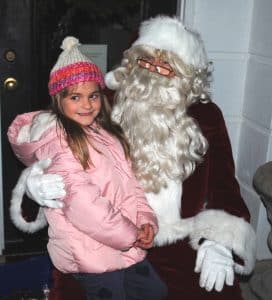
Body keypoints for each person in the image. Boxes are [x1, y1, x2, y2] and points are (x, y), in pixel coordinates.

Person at [9, 16, 256, 300]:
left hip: (179, 241)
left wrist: (219, 242)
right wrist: (36, 180)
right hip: (100, 239)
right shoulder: (100, 103)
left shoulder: (206, 116)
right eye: (145, 61)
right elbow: (50, 139)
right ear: (131, 62)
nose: (153, 71)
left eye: (166, 66)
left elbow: (224, 186)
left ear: (187, 76)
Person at [7, 36, 168, 300]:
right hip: (88, 251)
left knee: (155, 292)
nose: (87, 104)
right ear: (59, 99)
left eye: (93, 95)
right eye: (75, 97)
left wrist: (146, 221)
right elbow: (83, 203)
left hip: (123, 240)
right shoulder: (58, 141)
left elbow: (131, 183)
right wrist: (130, 234)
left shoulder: (107, 133)